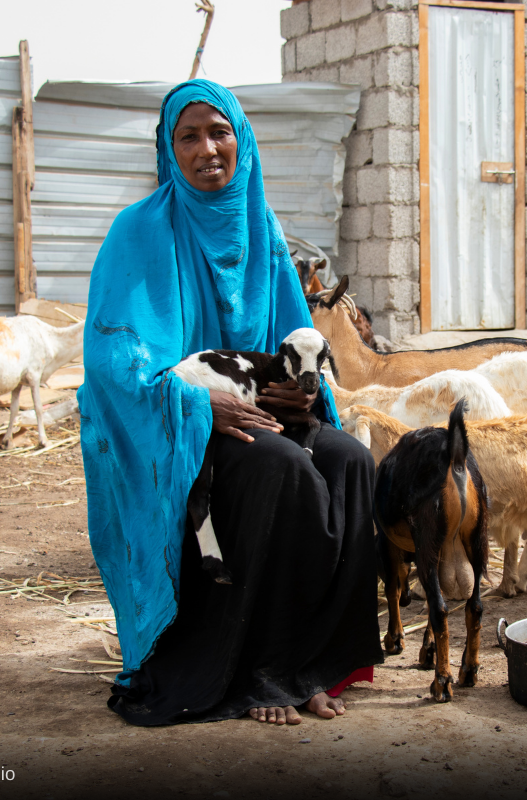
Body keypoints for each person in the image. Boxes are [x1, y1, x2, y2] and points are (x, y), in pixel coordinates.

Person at [78, 80, 383, 727]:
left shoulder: (261, 229)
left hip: (259, 412)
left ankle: (316, 665)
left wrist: (299, 397)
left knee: (349, 457)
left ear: (240, 140)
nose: (206, 148)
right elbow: (112, 360)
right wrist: (195, 405)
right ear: (169, 148)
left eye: (219, 131)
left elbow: (295, 337)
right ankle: (261, 672)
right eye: (188, 135)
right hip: (180, 431)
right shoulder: (138, 234)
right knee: (282, 466)